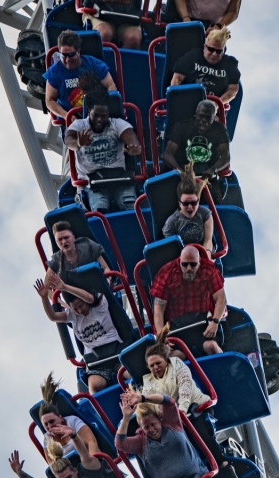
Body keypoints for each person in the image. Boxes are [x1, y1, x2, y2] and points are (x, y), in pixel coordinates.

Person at [141, 328, 236, 478]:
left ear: (166, 360)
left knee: (198, 432)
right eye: (151, 366)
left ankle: (223, 465)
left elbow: (185, 387)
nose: (155, 368)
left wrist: (182, 410)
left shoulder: (176, 365)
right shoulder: (149, 381)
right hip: (174, 418)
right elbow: (152, 403)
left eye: (158, 363)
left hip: (194, 406)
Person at [115, 391, 210, 478]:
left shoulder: (171, 423)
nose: (152, 429)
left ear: (159, 419)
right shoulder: (141, 442)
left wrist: (142, 398)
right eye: (146, 427)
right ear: (141, 428)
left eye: (153, 424)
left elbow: (169, 401)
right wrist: (126, 417)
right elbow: (120, 444)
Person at [64, 73, 142, 214]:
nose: (100, 120)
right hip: (92, 183)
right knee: (100, 210)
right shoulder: (79, 125)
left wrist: (134, 148)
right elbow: (69, 140)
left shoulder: (117, 124)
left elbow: (130, 136)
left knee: (130, 206)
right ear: (89, 112)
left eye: (103, 116)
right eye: (96, 115)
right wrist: (79, 143)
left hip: (119, 178)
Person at [35, 279, 126, 393]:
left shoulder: (99, 303)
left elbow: (89, 297)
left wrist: (65, 287)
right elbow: (53, 317)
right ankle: (100, 409)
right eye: (75, 308)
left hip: (116, 353)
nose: (80, 310)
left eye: (81, 305)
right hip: (97, 361)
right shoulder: (72, 315)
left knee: (130, 373)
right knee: (95, 385)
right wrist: (44, 298)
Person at [149, 245, 226, 356]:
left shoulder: (209, 269)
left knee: (212, 346)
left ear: (199, 262)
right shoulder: (166, 273)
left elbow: (221, 298)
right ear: (180, 261)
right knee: (175, 356)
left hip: (202, 324)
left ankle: (224, 367)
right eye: (185, 264)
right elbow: (158, 309)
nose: (189, 268)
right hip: (177, 329)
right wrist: (162, 337)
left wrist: (215, 322)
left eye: (193, 264)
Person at [163, 100, 230, 203]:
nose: (203, 120)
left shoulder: (219, 130)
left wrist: (213, 169)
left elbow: (226, 156)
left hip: (208, 176)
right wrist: (180, 172)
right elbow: (167, 154)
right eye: (201, 116)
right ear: (195, 114)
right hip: (182, 173)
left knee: (214, 200)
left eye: (208, 117)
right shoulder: (181, 127)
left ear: (213, 117)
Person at [43, 30, 116, 122]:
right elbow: (49, 100)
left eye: (71, 55)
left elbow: (110, 85)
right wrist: (66, 116)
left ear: (78, 52)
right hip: (74, 121)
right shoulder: (54, 72)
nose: (68, 59)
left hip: (99, 115)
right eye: (64, 55)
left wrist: (108, 109)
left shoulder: (93, 63)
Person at [34, 372, 100, 457]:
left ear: (60, 417)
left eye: (52, 421)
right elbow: (53, 464)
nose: (49, 426)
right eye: (45, 424)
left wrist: (93, 462)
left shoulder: (72, 421)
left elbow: (91, 442)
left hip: (89, 459)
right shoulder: (47, 439)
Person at [170, 27, 240, 103]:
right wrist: (178, 101)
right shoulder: (193, 56)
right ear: (204, 47)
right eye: (211, 49)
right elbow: (177, 79)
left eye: (219, 51)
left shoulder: (230, 63)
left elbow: (232, 90)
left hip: (212, 108)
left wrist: (216, 105)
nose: (214, 54)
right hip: (187, 102)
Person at [162, 163, 213, 252]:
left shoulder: (205, 214)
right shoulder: (172, 222)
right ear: (180, 204)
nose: (190, 207)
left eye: (193, 203)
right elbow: (171, 251)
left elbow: (208, 240)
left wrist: (207, 254)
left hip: (202, 253)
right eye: (185, 203)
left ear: (198, 202)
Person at [169, 0, 241, 28]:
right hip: (185, 20)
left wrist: (218, 26)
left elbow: (233, 12)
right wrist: (186, 18)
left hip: (212, 27)